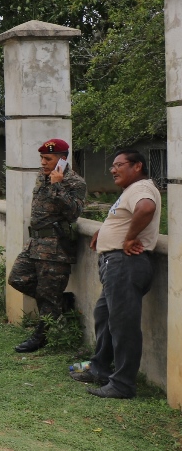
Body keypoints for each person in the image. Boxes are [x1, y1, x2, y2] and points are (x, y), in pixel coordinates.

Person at [70, 148, 160, 399]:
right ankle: (99, 368)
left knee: (123, 326)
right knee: (105, 316)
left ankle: (123, 384)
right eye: (113, 165)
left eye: (119, 165)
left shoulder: (141, 189)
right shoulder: (130, 191)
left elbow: (145, 209)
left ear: (137, 166)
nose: (113, 170)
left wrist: (129, 237)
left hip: (125, 263)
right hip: (116, 264)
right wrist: (106, 229)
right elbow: (125, 217)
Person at [7, 139, 87, 353]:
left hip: (55, 247)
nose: (42, 162)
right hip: (35, 243)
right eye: (41, 158)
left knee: (47, 293)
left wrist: (57, 185)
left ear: (62, 159)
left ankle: (41, 337)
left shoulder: (74, 183)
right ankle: (61, 302)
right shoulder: (42, 177)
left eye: (48, 159)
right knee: (17, 278)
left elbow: (73, 213)